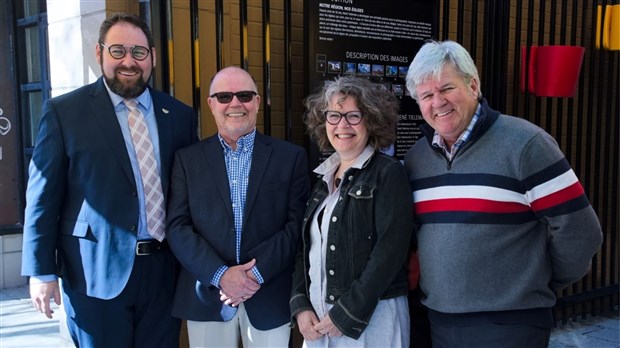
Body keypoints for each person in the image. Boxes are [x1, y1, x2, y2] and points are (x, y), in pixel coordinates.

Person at [403, 40, 603, 347]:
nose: (438, 102)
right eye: (427, 95)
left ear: (473, 85)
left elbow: (581, 232)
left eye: (446, 88)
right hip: (441, 320)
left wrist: (536, 279)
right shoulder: (417, 159)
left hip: (511, 321)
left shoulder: (526, 144)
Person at [20, 13, 198, 347]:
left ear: (153, 58)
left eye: (139, 52)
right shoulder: (65, 112)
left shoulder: (179, 115)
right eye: (118, 51)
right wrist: (41, 271)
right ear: (99, 54)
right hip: (94, 274)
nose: (129, 61)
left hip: (164, 272)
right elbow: (43, 196)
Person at [166, 66, 311, 348]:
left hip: (269, 292)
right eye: (223, 96)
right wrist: (221, 275)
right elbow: (177, 226)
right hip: (208, 295)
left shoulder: (290, 157)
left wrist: (252, 275)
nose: (235, 103)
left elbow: (296, 226)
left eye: (244, 95)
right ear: (211, 104)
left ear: (257, 102)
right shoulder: (187, 160)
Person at [290, 76, 414, 347]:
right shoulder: (322, 181)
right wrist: (300, 306)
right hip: (320, 322)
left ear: (370, 120)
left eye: (353, 116)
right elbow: (305, 251)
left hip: (372, 318)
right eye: (334, 115)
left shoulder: (388, 173)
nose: (342, 125)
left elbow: (389, 253)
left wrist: (347, 313)